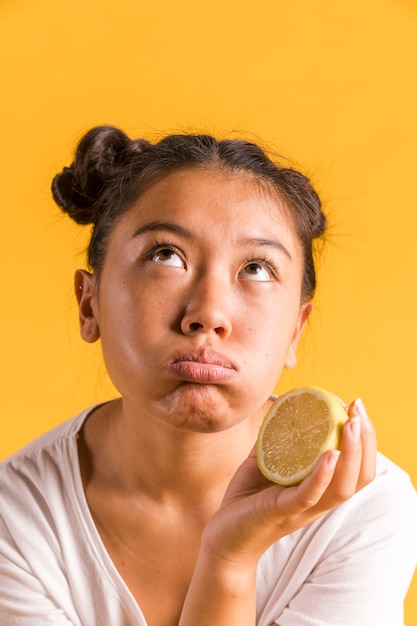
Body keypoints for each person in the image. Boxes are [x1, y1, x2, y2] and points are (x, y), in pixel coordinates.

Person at [0, 126, 416, 626]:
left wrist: (232, 558)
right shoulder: (16, 518)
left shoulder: (361, 510)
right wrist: (228, 560)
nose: (208, 315)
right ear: (89, 304)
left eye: (257, 268)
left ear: (294, 333)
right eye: (166, 255)